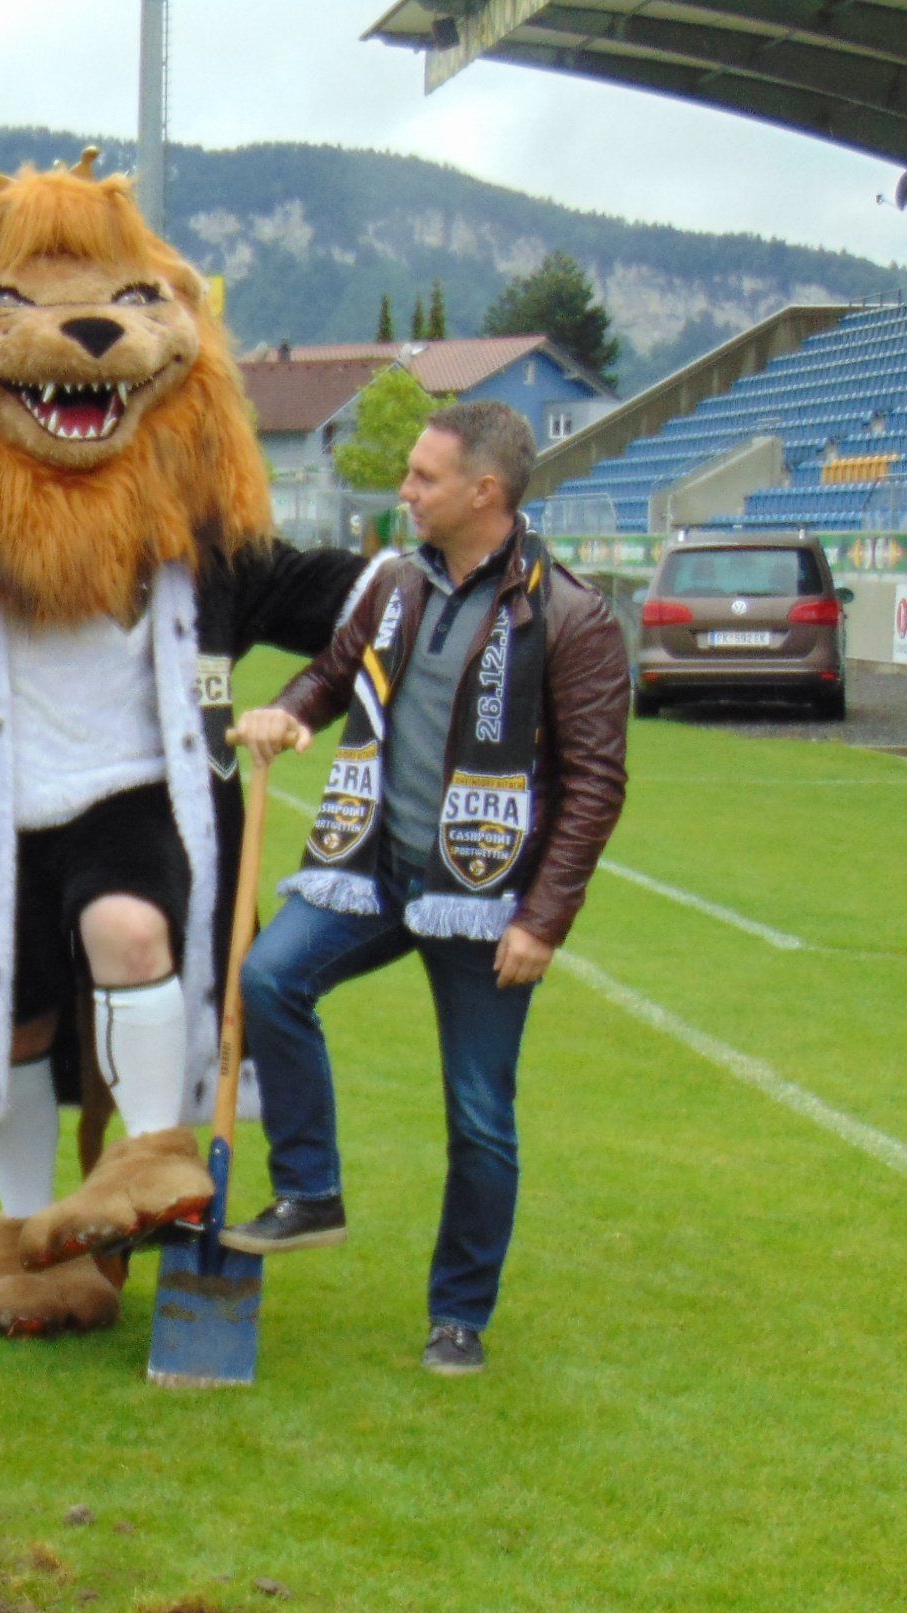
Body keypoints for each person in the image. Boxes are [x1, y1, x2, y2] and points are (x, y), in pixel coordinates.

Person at [229, 399, 629, 1375]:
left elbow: (595, 784)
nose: (404, 491)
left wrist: (544, 921)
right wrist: (288, 712)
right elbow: (334, 673)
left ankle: (460, 1316)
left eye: (423, 477)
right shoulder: (396, 584)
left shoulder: (570, 616)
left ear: (483, 491)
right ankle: (310, 1190)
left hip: (489, 900)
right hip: (373, 867)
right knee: (269, 978)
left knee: (478, 1114)